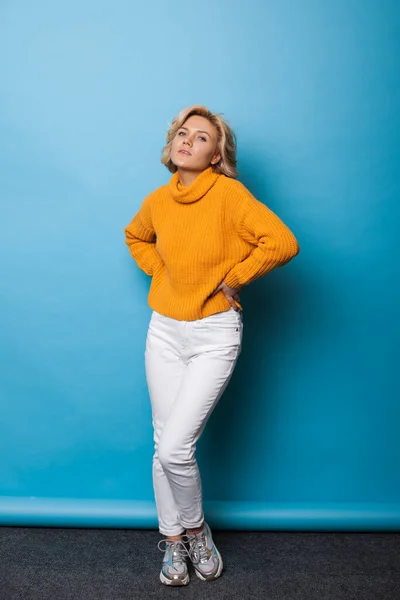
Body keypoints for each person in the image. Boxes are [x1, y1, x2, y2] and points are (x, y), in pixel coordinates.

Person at [124, 104, 300, 586]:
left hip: (213, 332)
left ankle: (197, 529)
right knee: (164, 445)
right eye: (182, 133)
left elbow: (281, 242)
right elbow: (136, 237)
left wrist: (235, 278)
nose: (187, 141)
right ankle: (174, 542)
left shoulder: (229, 195)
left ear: (218, 155)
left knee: (176, 448)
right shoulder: (158, 201)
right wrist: (162, 273)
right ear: (170, 144)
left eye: (201, 137)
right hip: (164, 329)